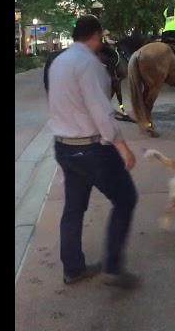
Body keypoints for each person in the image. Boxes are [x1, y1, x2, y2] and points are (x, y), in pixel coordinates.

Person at [47, 15, 140, 289]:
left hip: (63, 146)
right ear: (97, 36)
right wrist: (122, 147)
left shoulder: (58, 62)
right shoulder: (90, 64)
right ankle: (112, 267)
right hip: (90, 149)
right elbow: (100, 111)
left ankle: (73, 269)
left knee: (73, 208)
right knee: (125, 198)